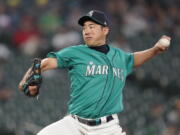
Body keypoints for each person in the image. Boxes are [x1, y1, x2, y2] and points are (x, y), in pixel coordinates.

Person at [18, 10, 171, 135]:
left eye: (92, 27)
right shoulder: (75, 52)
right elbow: (43, 63)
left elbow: (134, 59)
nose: (87, 31)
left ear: (105, 30)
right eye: (84, 28)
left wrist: (155, 50)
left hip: (108, 129)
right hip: (74, 125)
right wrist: (24, 81)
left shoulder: (120, 56)